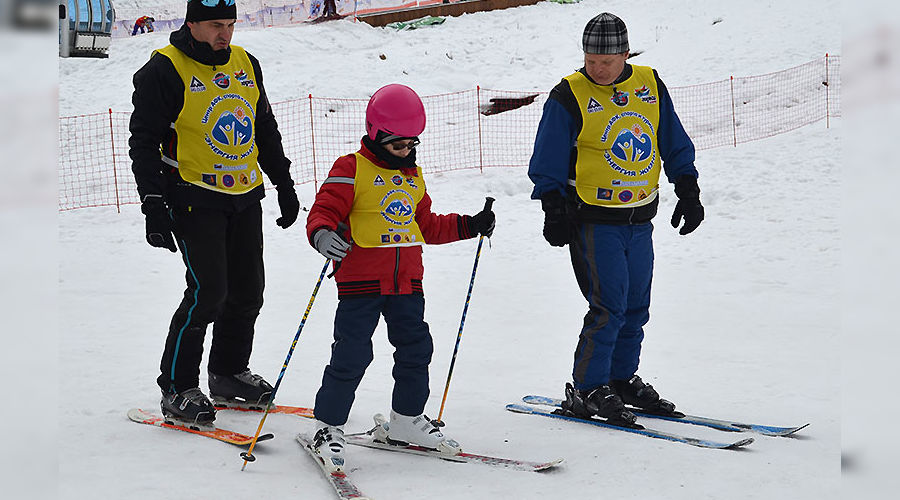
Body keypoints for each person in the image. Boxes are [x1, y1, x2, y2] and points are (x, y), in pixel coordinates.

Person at [304, 83, 496, 471]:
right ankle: (328, 427)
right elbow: (323, 208)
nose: (406, 151)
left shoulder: (411, 177)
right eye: (398, 145)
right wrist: (322, 233)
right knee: (352, 354)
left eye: (412, 144)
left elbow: (426, 225)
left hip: (407, 283)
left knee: (416, 350)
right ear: (376, 136)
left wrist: (469, 225)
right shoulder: (351, 168)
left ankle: (406, 421)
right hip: (360, 283)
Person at [129, 0, 301, 427]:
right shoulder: (165, 70)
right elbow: (144, 141)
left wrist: (283, 183)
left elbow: (264, 126)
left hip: (244, 194)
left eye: (230, 25)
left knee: (248, 292)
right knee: (209, 292)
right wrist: (152, 203)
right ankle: (177, 385)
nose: (224, 35)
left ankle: (228, 373)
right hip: (192, 195)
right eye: (214, 26)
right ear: (191, 24)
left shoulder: (246, 63)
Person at [527, 13, 705, 425]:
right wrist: (552, 207)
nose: (596, 68)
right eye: (590, 60)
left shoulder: (649, 84)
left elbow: (671, 139)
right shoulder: (568, 94)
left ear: (625, 54)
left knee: (636, 306)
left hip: (640, 218)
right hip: (593, 220)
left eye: (605, 61)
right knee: (609, 306)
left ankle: (620, 379)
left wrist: (688, 189)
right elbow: (547, 156)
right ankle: (588, 387)